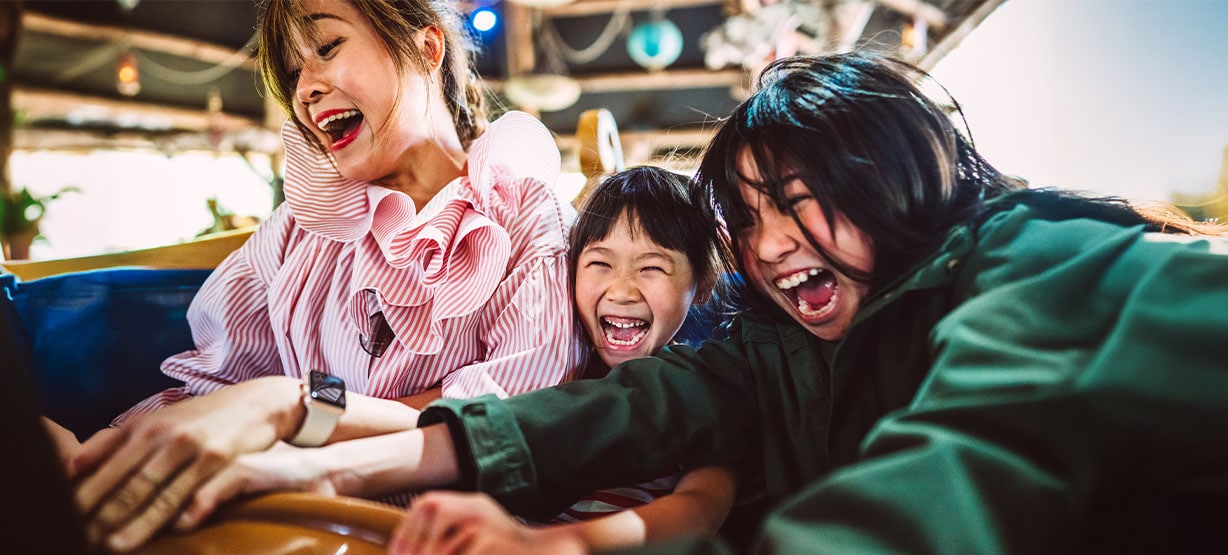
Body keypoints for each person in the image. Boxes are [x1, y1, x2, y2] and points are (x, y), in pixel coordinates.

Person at [87, 51, 1228, 553]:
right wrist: (288, 453)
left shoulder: (1036, 265)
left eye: (803, 203)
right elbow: (562, 423)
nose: (778, 247)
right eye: (753, 219)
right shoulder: (773, 349)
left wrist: (303, 417)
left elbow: (947, 472)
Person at [67, 0, 583, 551]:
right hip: (272, 524)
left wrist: (300, 406)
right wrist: (98, 457)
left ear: (426, 48)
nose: (304, 90)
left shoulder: (524, 213)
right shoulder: (297, 229)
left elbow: (509, 418)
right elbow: (210, 389)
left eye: (327, 48)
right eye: (293, 73)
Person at [390, 166, 737, 552]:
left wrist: (550, 543)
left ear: (703, 284)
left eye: (652, 267)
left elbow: (700, 509)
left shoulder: (704, 394)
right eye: (600, 264)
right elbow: (446, 419)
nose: (621, 291)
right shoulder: (553, 361)